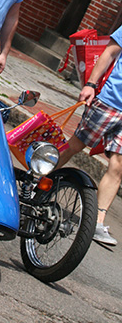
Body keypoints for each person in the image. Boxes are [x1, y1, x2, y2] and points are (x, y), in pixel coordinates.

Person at [57, 28, 122, 246]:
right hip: (110, 101)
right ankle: (39, 178)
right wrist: (91, 85)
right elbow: (110, 52)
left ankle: (97, 223)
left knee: (118, 166)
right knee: (75, 145)